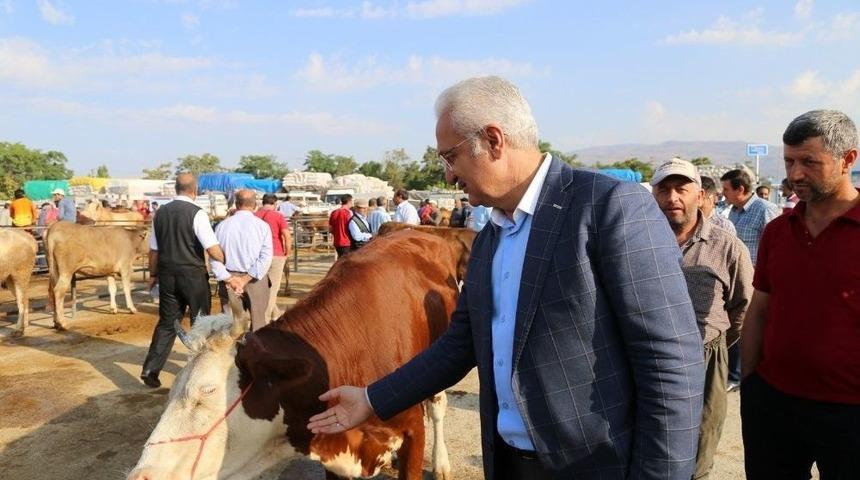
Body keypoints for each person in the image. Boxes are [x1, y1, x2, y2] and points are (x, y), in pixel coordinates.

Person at [307, 76, 704, 479]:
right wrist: (372, 399)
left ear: (494, 140)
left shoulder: (608, 208)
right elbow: (458, 346)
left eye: (450, 157)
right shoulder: (491, 240)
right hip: (510, 463)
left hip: (595, 467)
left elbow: (670, 365)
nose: (447, 176)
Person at [740, 110, 860, 479]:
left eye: (809, 162)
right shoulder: (778, 231)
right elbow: (760, 308)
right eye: (789, 161)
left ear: (848, 159)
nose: (795, 175)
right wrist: (750, 385)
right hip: (774, 403)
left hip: (851, 413)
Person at [651, 159, 754, 479]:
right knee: (651, 440)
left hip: (706, 356)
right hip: (649, 356)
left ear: (700, 195)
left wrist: (717, 343)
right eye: (664, 190)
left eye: (681, 189)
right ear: (653, 195)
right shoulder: (637, 242)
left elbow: (744, 305)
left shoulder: (727, 247)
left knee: (700, 443)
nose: (672, 198)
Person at [140, 173, 225, 389]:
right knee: (201, 322)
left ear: (177, 188)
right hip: (193, 275)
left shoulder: (160, 213)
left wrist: (152, 275)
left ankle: (150, 369)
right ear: (194, 189)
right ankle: (199, 370)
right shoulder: (197, 213)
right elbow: (211, 247)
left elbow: (154, 250)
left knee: (167, 322)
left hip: (167, 275)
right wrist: (226, 259)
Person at [720, 168, 780, 391]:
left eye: (726, 189)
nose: (723, 194)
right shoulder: (733, 212)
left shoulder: (765, 210)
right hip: (736, 281)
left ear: (740, 189)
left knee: (755, 326)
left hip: (758, 284)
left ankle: (747, 375)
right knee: (737, 326)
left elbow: (776, 248)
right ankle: (737, 372)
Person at [211, 189, 273, 332]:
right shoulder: (262, 227)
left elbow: (214, 258)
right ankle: (255, 353)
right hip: (255, 279)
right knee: (258, 324)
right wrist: (245, 279)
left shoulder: (221, 226)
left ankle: (232, 353)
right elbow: (266, 257)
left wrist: (229, 279)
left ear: (236, 204)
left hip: (228, 280)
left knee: (230, 325)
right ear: (255, 204)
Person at [255, 193, 291, 321]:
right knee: (272, 289)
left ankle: (276, 312)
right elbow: (286, 235)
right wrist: (287, 252)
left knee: (259, 287)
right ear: (275, 204)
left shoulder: (254, 216)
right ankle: (264, 319)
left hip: (257, 255)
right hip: (276, 254)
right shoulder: (278, 216)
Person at [329, 194, 353, 258]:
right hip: (346, 241)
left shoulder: (334, 212)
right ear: (349, 201)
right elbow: (351, 227)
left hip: (337, 241)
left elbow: (330, 228)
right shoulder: (348, 213)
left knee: (340, 259)